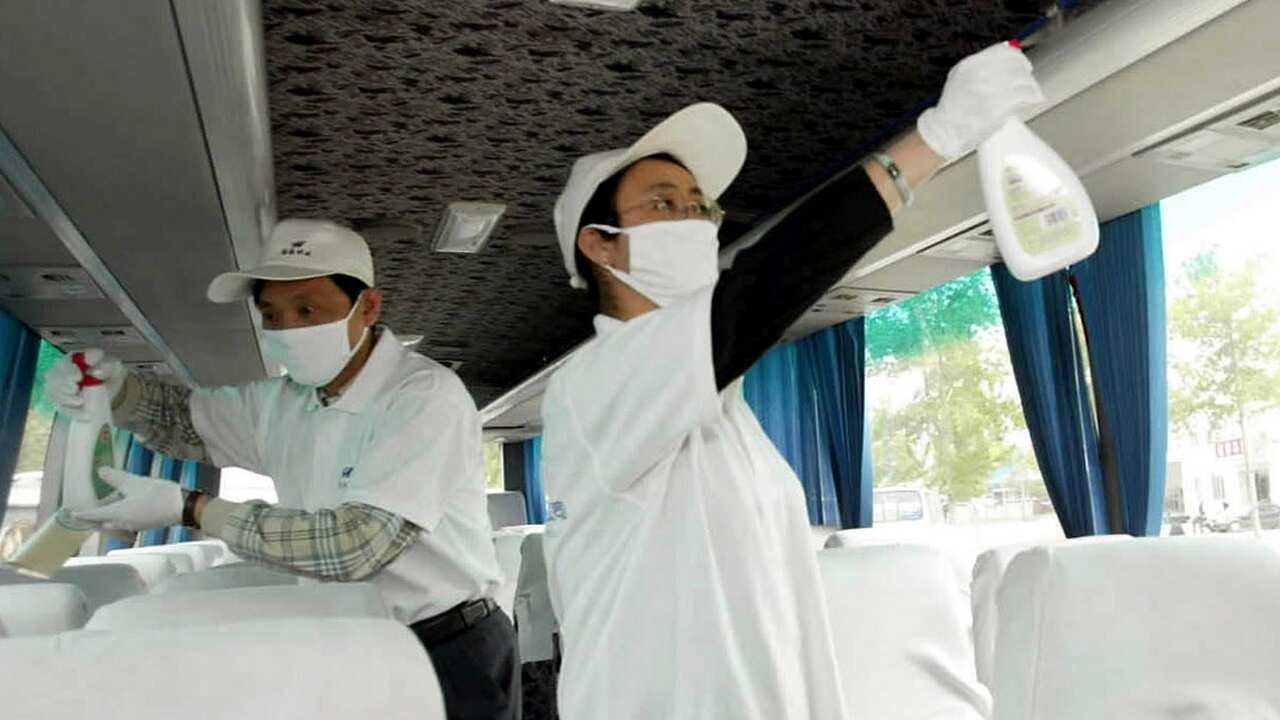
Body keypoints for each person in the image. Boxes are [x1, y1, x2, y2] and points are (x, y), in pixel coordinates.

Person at [540, 43, 1043, 719]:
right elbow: (761, 289)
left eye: (701, 207)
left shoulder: (723, 412)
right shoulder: (595, 385)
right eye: (664, 204)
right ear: (598, 244)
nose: (693, 219)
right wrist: (936, 139)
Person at [45, 219, 519, 720]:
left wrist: (192, 508)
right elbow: (182, 421)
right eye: (272, 314)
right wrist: (115, 390)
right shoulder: (284, 402)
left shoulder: (422, 397)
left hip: (448, 645)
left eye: (307, 310)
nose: (288, 329)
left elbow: (355, 547)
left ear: (368, 307)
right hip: (354, 637)